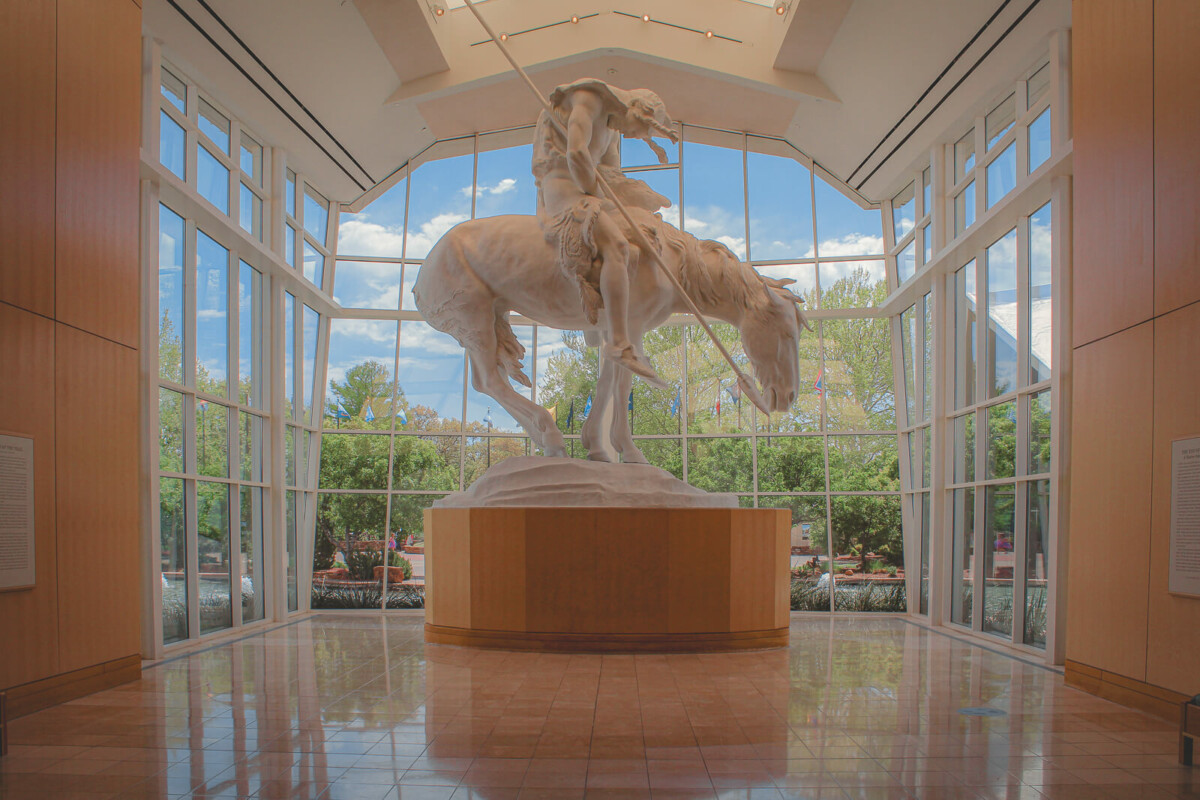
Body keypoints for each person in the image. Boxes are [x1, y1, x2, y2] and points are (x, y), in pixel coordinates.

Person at [532, 79, 678, 388]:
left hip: (592, 192)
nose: (632, 135)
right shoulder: (587, 101)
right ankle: (619, 342)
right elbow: (576, 155)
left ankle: (599, 313)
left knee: (640, 236)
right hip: (563, 188)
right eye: (638, 130)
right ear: (637, 112)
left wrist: (628, 196)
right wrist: (602, 198)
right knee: (617, 245)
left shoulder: (612, 131)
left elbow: (611, 172)